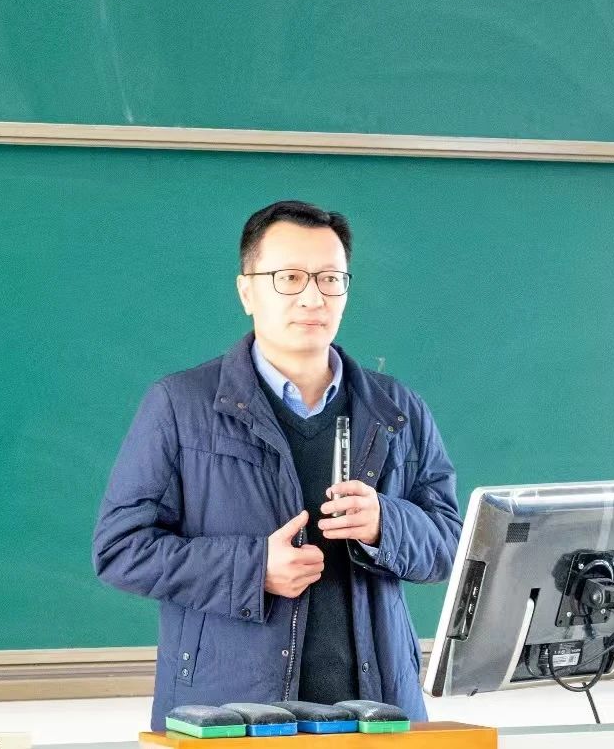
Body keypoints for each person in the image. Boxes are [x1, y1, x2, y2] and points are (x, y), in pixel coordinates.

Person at [92, 200, 461, 730]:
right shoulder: (180, 405)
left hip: (377, 711)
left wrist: (387, 523)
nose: (313, 297)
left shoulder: (396, 409)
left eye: (330, 279)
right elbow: (120, 549)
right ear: (247, 291)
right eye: (289, 278)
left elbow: (452, 547)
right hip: (230, 716)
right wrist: (252, 569)